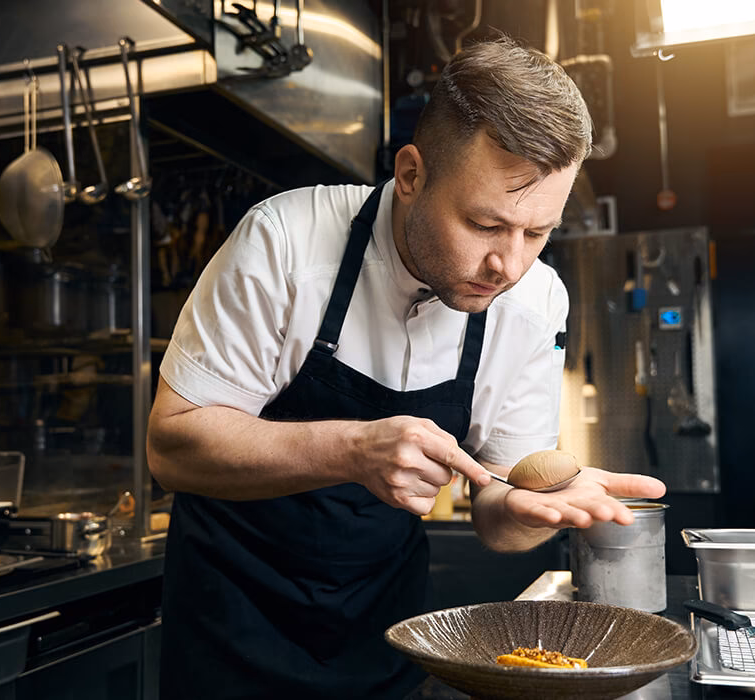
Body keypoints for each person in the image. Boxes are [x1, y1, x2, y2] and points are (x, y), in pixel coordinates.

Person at [147, 37, 666, 699]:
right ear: (413, 175)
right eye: (484, 224)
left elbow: (496, 512)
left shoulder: (535, 304)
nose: (508, 265)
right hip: (230, 628)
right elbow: (171, 447)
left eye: (537, 233)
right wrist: (352, 449)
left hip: (384, 634)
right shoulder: (285, 242)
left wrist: (530, 512)